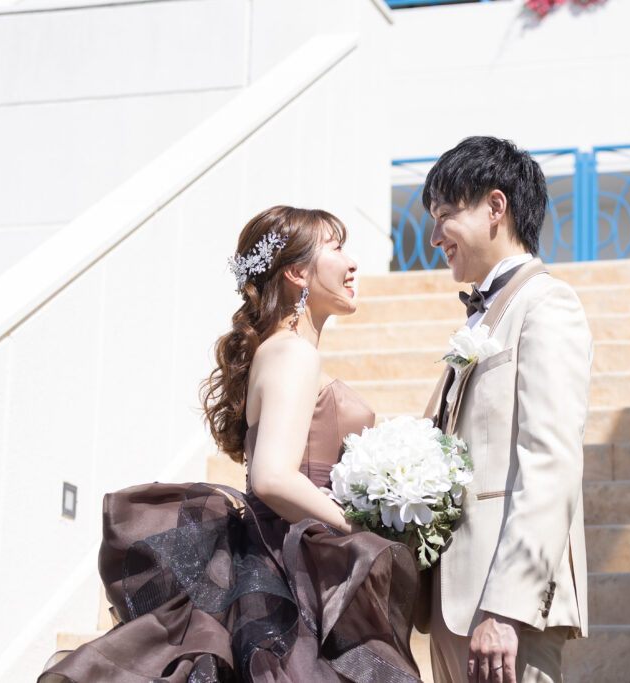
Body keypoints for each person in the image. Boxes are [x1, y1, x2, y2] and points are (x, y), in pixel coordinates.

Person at [40, 206, 422, 682]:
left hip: (287, 556)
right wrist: (356, 526)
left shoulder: (281, 350)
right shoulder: (293, 353)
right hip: (291, 565)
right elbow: (273, 478)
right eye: (336, 247)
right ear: (297, 272)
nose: (353, 262)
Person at [418, 137, 592, 683]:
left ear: (496, 206)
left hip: (505, 613)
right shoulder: (480, 314)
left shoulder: (547, 303)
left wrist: (506, 608)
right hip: (453, 604)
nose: (434, 235)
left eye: (445, 214)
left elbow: (551, 462)